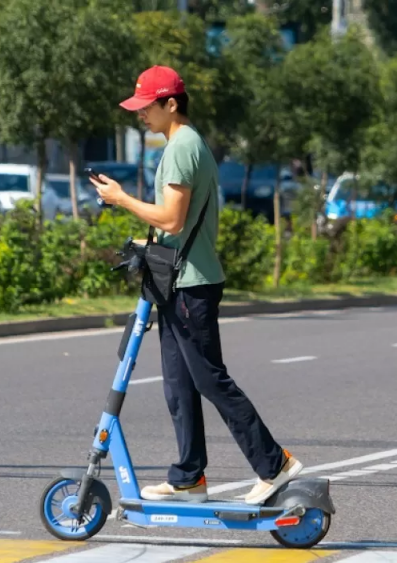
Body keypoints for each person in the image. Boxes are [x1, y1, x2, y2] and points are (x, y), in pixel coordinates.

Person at [90, 65, 303, 505]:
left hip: (192, 285)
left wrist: (121, 199)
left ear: (171, 104)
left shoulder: (182, 147)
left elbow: (172, 217)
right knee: (179, 385)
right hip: (179, 281)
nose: (140, 116)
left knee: (209, 380)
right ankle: (189, 476)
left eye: (146, 108)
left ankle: (274, 464)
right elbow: (173, 226)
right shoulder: (180, 145)